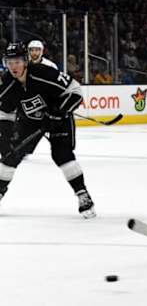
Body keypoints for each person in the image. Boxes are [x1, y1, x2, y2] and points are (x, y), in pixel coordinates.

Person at [0, 42, 96, 218]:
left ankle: (83, 196)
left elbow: (75, 91)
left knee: (61, 154)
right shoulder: (7, 83)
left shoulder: (43, 73)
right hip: (30, 121)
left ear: (26, 61)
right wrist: (5, 137)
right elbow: (5, 112)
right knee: (10, 155)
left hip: (58, 117)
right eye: (10, 62)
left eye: (17, 62)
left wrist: (58, 112)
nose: (13, 66)